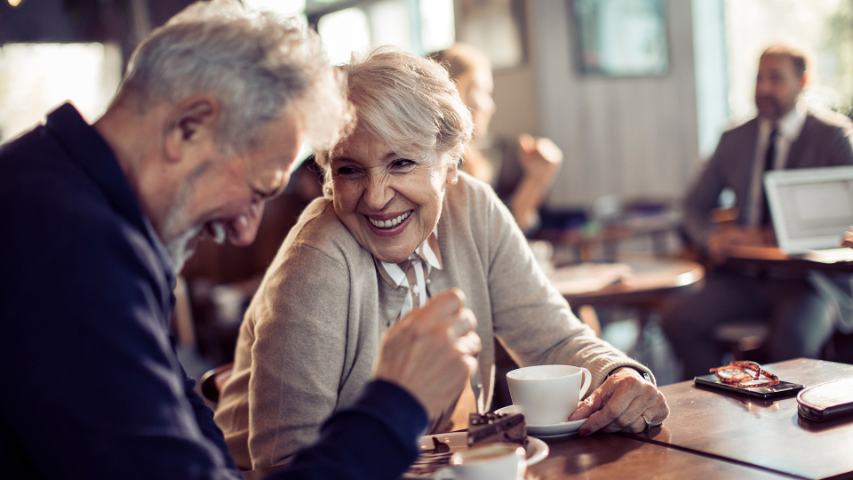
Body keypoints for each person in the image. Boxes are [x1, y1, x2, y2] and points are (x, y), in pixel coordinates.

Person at [0, 2, 480, 479]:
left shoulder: (69, 201)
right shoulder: (70, 253)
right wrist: (397, 403)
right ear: (189, 128)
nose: (246, 231)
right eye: (256, 193)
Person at [215, 47, 669, 469]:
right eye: (349, 170)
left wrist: (620, 374)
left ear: (451, 165)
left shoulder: (473, 208)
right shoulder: (316, 259)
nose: (375, 198)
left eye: (401, 164)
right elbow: (284, 463)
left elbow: (551, 337)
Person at [664, 44, 853, 378]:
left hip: (810, 281)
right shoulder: (735, 138)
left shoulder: (834, 137)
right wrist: (710, 238)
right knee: (680, 318)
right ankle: (717, 401)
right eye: (759, 78)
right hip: (747, 277)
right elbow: (692, 206)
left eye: (776, 79)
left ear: (803, 81)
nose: (763, 88)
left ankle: (791, 424)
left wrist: (775, 235)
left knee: (790, 344)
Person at [430, 43, 563, 234]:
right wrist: (536, 181)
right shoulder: (441, 168)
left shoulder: (475, 161)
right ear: (454, 93)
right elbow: (488, 241)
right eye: (483, 92)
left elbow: (502, 237)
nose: (490, 106)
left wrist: (537, 178)